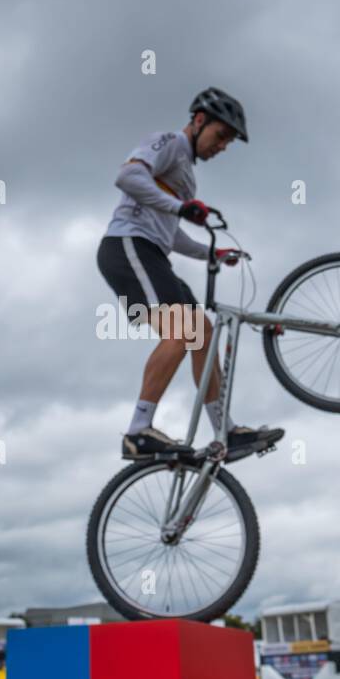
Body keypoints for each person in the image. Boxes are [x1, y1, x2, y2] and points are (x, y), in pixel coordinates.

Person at [97, 87, 283, 460]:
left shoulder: (186, 176)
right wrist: (180, 208)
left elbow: (172, 233)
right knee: (182, 331)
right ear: (199, 121)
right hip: (127, 247)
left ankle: (225, 432)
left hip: (152, 252)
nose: (222, 147)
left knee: (203, 333)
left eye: (228, 142)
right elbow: (128, 177)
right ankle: (138, 431)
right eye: (221, 136)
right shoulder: (167, 143)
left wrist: (212, 252)